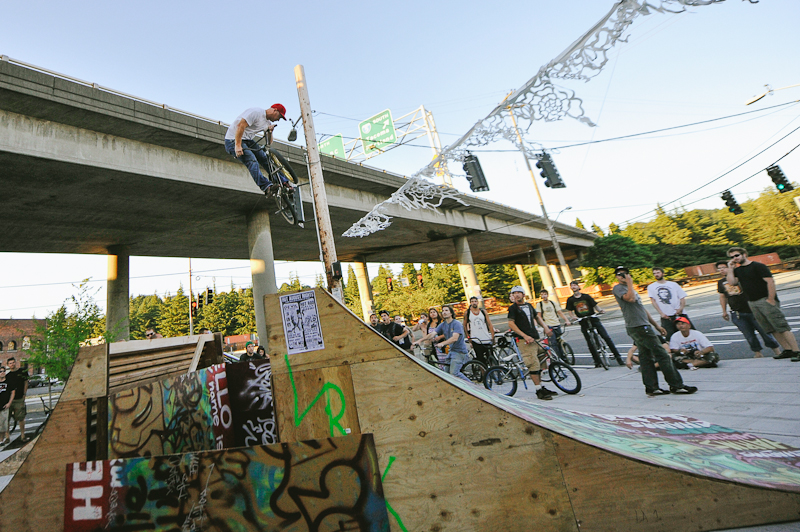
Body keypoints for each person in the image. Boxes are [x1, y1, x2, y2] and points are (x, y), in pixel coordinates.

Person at [612, 266, 697, 397]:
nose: (622, 276)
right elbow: (631, 299)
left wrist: (656, 326)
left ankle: (652, 388)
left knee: (645, 358)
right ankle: (676, 385)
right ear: (616, 277)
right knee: (662, 355)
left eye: (625, 273)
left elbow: (641, 309)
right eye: (619, 274)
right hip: (638, 327)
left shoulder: (630, 289)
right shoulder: (618, 288)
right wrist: (629, 283)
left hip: (642, 325)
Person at [725, 247, 800, 361]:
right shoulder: (738, 270)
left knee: (781, 326)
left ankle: (796, 351)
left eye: (736, 255)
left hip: (765, 299)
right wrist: (730, 269)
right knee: (770, 328)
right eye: (732, 257)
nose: (735, 258)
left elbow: (770, 282)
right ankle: (787, 350)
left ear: (744, 254)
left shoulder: (758, 266)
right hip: (752, 302)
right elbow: (732, 282)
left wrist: (770, 299)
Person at [716, 261, 781, 358]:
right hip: (737, 312)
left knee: (765, 332)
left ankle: (777, 351)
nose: (721, 270)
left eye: (723, 267)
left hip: (752, 309)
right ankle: (757, 353)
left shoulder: (740, 276)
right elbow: (723, 296)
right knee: (749, 335)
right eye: (719, 268)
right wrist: (724, 311)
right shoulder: (721, 282)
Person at [224, 104, 288, 195]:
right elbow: (240, 126)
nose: (278, 119)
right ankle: (267, 187)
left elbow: (269, 143)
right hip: (232, 140)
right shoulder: (256, 112)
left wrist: (270, 132)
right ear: (275, 110)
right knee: (251, 159)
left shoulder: (267, 123)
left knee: (265, 158)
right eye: (279, 116)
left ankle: (284, 182)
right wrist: (237, 145)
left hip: (247, 140)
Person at [507, 286, 557, 400]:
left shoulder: (528, 305)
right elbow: (511, 323)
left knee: (541, 360)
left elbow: (537, 317)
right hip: (524, 340)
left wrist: (545, 328)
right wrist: (524, 336)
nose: (516, 295)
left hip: (535, 337)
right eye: (514, 293)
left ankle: (542, 386)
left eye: (519, 293)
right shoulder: (513, 308)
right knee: (532, 363)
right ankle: (538, 390)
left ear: (523, 294)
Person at [565, 281, 624, 367]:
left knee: (606, 337)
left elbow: (595, 305)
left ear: (578, 286)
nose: (573, 287)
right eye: (572, 286)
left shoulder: (586, 296)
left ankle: (618, 357)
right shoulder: (570, 299)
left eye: (575, 285)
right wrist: (573, 317)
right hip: (583, 321)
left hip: (593, 318)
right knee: (590, 342)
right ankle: (597, 362)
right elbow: (570, 311)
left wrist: (600, 311)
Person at [647, 267, 692, 339]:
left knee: (689, 333)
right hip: (666, 316)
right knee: (669, 336)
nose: (656, 275)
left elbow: (682, 297)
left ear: (663, 273)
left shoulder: (673, 284)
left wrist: (680, 309)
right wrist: (661, 313)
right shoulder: (651, 287)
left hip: (679, 314)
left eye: (658, 273)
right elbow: (653, 301)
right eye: (654, 273)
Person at [433, 305, 471, 382]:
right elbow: (432, 333)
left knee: (454, 373)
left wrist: (442, 343)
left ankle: (473, 386)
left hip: (459, 352)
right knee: (446, 374)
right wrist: (419, 341)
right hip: (451, 352)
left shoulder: (456, 323)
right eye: (443, 311)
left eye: (446, 310)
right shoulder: (443, 324)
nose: (444, 312)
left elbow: (455, 338)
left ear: (451, 313)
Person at [535, 289, 571, 362]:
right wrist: (543, 326)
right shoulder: (540, 305)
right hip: (548, 325)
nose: (544, 296)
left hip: (556, 324)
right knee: (553, 343)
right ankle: (557, 359)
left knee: (559, 341)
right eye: (542, 294)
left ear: (547, 295)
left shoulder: (553, 303)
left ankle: (563, 357)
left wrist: (566, 320)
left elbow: (560, 313)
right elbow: (539, 316)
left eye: (545, 294)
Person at [462, 296, 495, 366]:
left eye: (475, 301)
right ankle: (483, 374)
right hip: (476, 339)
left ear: (477, 302)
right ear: (470, 303)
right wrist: (468, 337)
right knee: (481, 360)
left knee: (491, 358)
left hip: (486, 338)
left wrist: (492, 335)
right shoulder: (467, 313)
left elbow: (489, 323)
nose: (474, 303)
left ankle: (493, 372)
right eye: (472, 301)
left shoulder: (483, 312)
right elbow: (464, 325)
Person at [5, 357, 28, 442]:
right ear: (8, 365)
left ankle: (23, 436)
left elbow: (26, 383)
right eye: (10, 363)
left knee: (21, 418)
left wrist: (24, 394)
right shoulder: (8, 376)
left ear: (15, 363)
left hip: (19, 399)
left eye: (13, 362)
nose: (12, 364)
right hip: (9, 400)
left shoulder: (22, 372)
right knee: (7, 419)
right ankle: (7, 437)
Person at [0, 366, 15, 445]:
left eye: (3, 371)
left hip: (4, 406)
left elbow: (12, 392)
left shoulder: (8, 382)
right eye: (0, 371)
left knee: (2, 425)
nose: (2, 373)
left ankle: (1, 440)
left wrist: (9, 403)